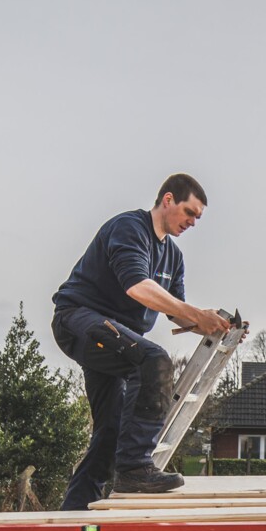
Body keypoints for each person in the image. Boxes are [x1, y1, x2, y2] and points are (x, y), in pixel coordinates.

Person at [52, 174, 231, 507]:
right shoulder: (130, 229)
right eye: (189, 213)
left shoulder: (173, 257)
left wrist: (215, 326)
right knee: (154, 361)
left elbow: (176, 312)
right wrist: (196, 313)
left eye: (198, 218)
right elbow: (138, 287)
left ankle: (71, 515)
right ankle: (135, 468)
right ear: (167, 200)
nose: (192, 222)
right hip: (79, 319)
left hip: (116, 339)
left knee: (110, 432)